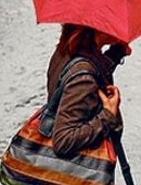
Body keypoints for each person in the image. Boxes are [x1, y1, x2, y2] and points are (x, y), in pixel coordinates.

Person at [46, 24, 131, 157]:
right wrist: (108, 115)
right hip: (74, 174)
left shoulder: (66, 51)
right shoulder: (83, 78)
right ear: (98, 26)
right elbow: (62, 141)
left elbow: (89, 67)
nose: (122, 29)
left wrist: (115, 53)